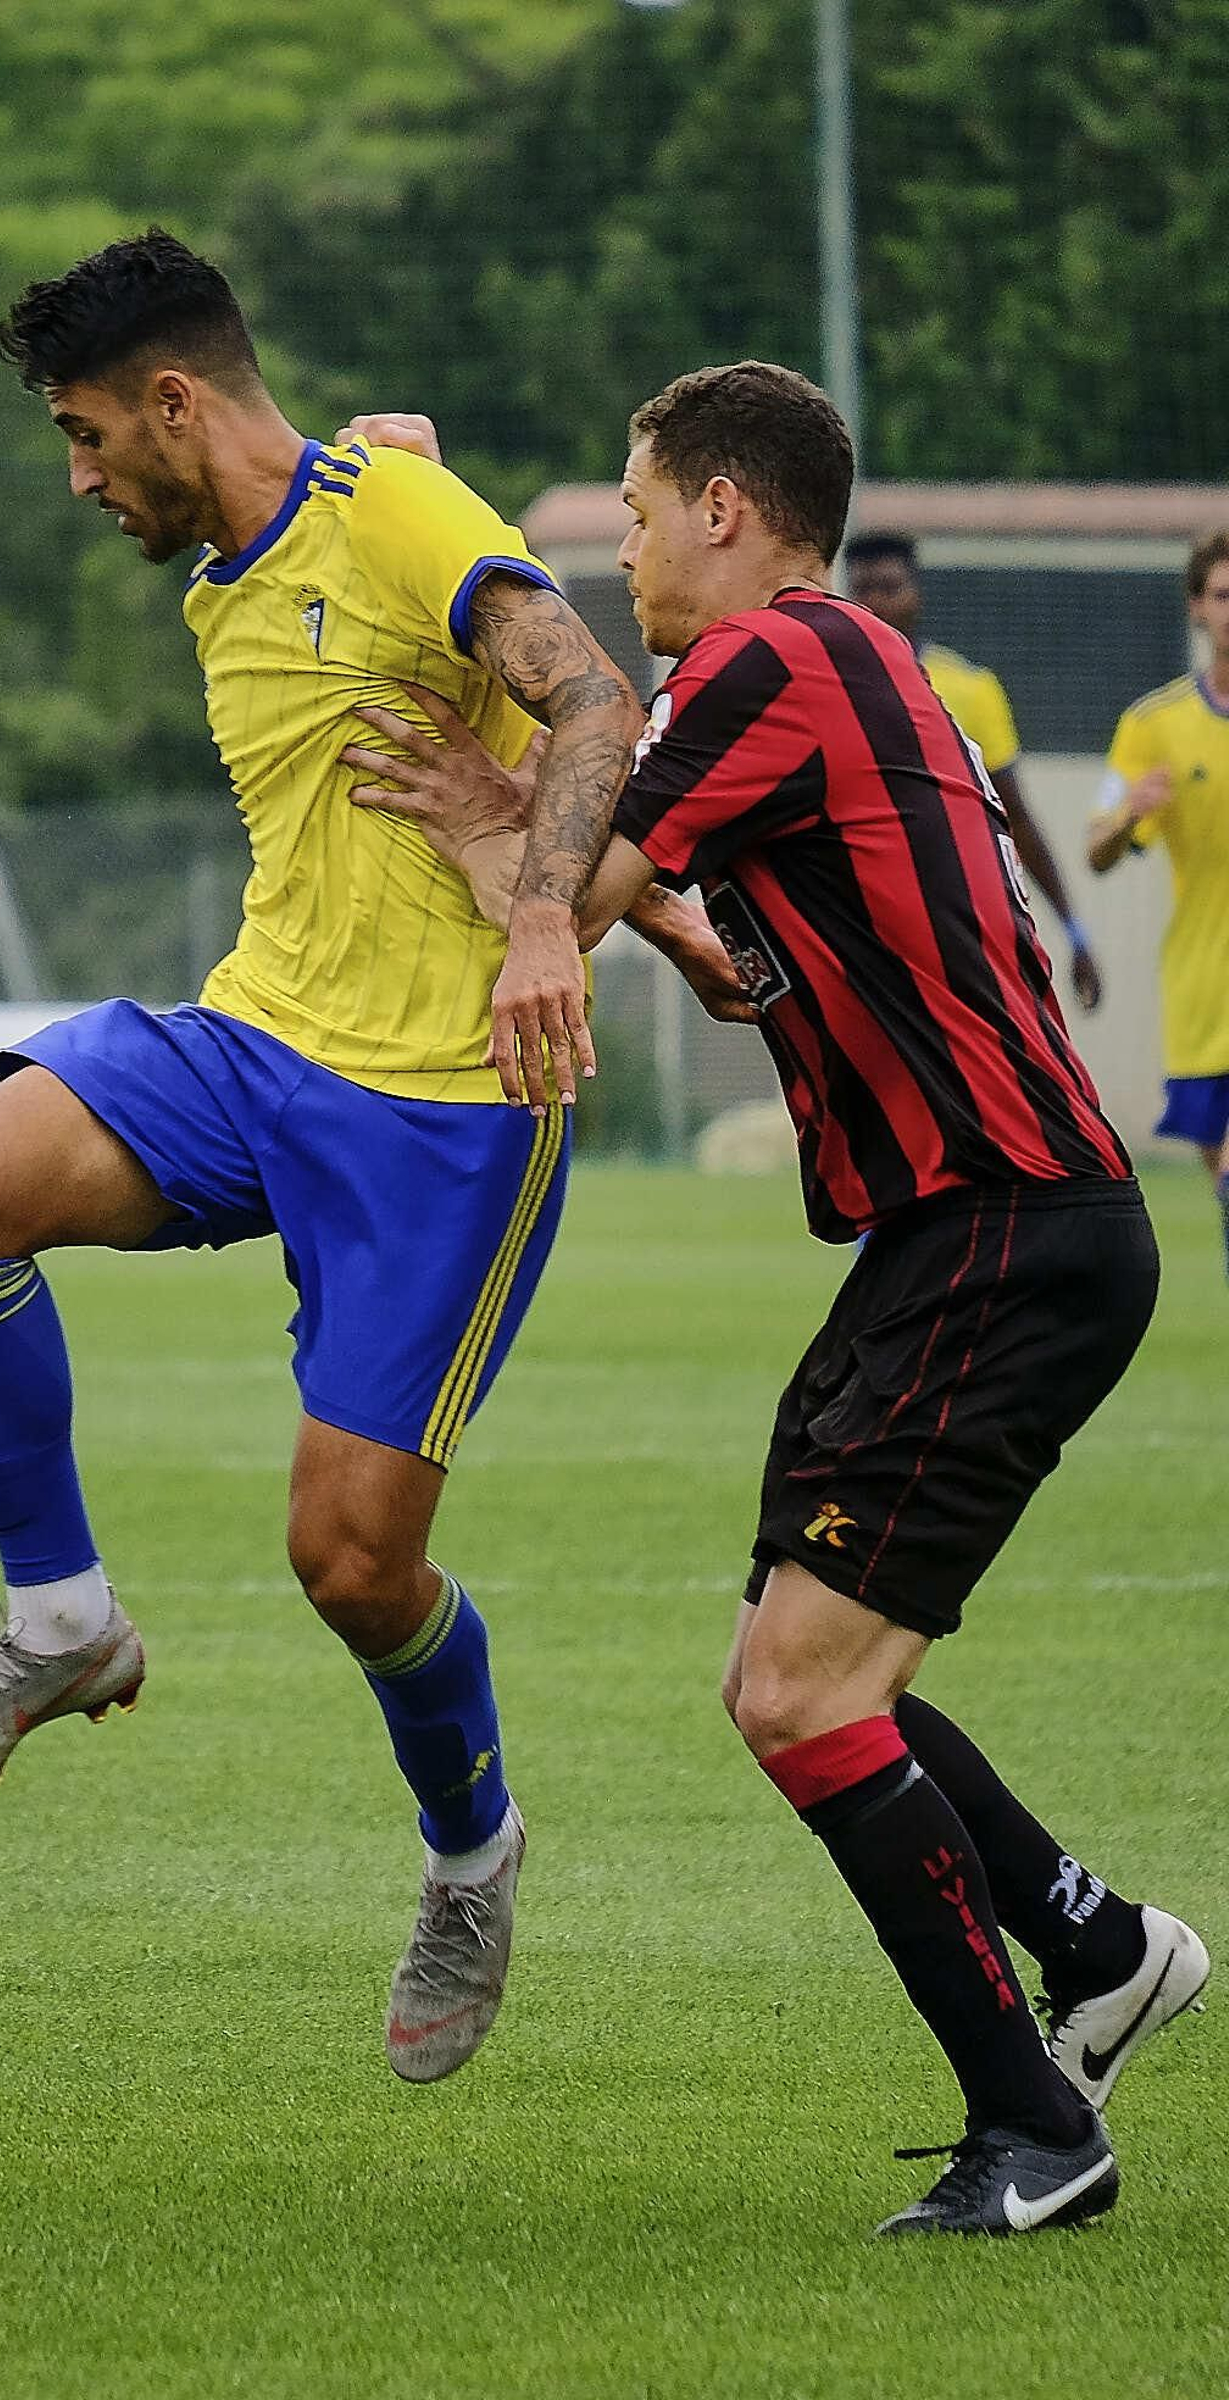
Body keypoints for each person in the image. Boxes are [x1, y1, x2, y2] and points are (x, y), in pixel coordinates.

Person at [339, 370, 1207, 2238]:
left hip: (1001, 1229)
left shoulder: (766, 661)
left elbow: (577, 851)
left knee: (809, 1698)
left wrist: (436, 546)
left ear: (727, 509)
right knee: (801, 1680)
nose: (630, 550)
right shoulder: (843, 672)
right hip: (967, 1238)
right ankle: (1101, 1944)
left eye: (640, 514)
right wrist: (545, 834)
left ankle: (1039, 2134)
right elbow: (732, 963)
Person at [0, 226, 744, 2088]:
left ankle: (471, 1853)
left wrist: (550, 927)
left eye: (92, 433)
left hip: (446, 1108)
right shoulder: (245, 556)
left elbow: (597, 701)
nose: (82, 474)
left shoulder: (406, 514)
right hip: (256, 1042)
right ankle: (61, 1622)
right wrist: (651, 914)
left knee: (351, 1567)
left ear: (178, 401)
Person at [843, 532, 1102, 1013]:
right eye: (863, 589)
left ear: (917, 594)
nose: (875, 603)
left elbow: (1016, 818)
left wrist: (1074, 932)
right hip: (861, 931)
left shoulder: (969, 688)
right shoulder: (827, 686)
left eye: (889, 587)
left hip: (957, 930)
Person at [1088, 528, 1229, 1278]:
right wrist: (1128, 815)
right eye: (1222, 595)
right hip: (1204, 987)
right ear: (1197, 609)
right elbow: (1097, 848)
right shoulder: (1155, 725)